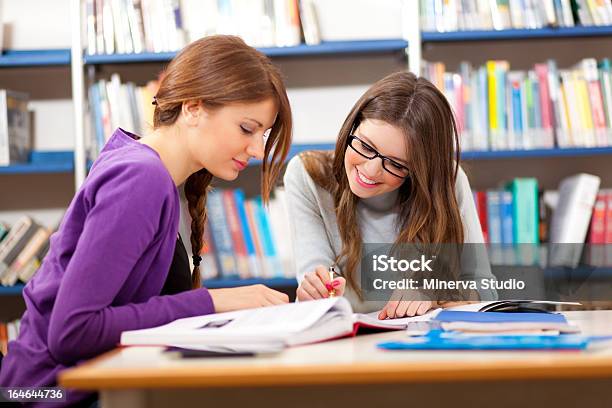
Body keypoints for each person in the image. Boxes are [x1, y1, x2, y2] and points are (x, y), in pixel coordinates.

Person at [0, 35, 292, 406]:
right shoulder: (142, 178)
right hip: (44, 393)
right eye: (247, 129)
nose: (256, 149)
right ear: (193, 109)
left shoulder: (152, 172)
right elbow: (72, 332)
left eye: (262, 135)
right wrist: (212, 302)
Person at [284, 71, 496, 319]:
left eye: (396, 165)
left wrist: (435, 292)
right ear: (352, 126)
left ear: (418, 171)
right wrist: (316, 292)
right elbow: (317, 289)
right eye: (365, 146)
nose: (370, 171)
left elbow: (486, 291)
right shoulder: (307, 175)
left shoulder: (448, 179)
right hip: (350, 342)